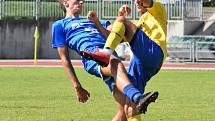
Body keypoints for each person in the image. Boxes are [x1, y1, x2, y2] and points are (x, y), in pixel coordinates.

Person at [52, 0, 159, 121]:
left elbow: (115, 32)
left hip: (110, 56)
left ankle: (134, 98)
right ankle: (138, 97)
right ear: (65, 3)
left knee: (123, 113)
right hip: (92, 56)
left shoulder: (94, 20)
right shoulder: (60, 25)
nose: (81, 2)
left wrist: (117, 17)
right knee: (115, 63)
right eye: (77, 0)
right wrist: (77, 86)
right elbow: (64, 58)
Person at [82, 0, 167, 120]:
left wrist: (122, 19)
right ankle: (106, 52)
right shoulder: (138, 24)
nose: (136, 2)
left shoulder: (158, 10)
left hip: (154, 51)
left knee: (123, 21)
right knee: (129, 107)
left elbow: (147, 2)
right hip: (143, 65)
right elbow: (112, 37)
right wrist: (98, 22)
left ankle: (105, 54)